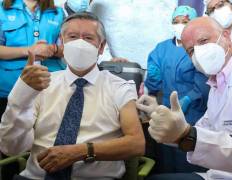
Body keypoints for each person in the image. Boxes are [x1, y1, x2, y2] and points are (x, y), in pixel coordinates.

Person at [0, 12, 145, 180]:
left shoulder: (119, 87)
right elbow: (11, 147)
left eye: (88, 38)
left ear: (101, 46)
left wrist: (82, 151)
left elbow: (136, 144)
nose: (79, 43)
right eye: (73, 37)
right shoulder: (43, 85)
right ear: (62, 41)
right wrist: (21, 96)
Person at [137, 16, 232, 179]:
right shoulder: (217, 82)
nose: (199, 53)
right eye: (191, 51)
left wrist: (185, 134)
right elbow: (203, 130)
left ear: (226, 36)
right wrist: (166, 120)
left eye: (203, 41)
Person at [140, 5, 209, 174]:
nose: (180, 25)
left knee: (189, 158)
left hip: (194, 114)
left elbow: (204, 83)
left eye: (185, 21)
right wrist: (152, 80)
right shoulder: (161, 48)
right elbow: (154, 82)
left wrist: (187, 100)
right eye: (175, 21)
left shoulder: (199, 48)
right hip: (164, 110)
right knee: (166, 160)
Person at [0, 0, 65, 120]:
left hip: (51, 88)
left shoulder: (58, 13)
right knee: (9, 134)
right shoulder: (2, 9)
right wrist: (30, 50)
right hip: (9, 89)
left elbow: (68, 48)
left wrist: (53, 48)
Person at [89, 0, 177, 69]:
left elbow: (179, 33)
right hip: (117, 72)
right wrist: (107, 61)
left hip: (163, 72)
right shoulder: (101, 3)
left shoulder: (171, 3)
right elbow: (91, 34)